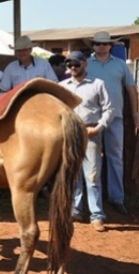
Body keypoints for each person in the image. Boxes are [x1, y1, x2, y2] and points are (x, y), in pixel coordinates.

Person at [59, 51, 114, 232]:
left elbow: (109, 109)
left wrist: (98, 128)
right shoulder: (62, 86)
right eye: (69, 65)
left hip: (91, 132)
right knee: (73, 174)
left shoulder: (98, 84)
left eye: (76, 64)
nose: (73, 68)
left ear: (85, 64)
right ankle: (75, 210)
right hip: (70, 133)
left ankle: (97, 215)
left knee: (92, 175)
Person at [85, 31, 139, 215]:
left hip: (115, 117)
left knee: (115, 157)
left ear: (110, 46)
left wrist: (134, 113)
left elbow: (131, 90)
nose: (101, 46)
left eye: (105, 43)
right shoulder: (85, 64)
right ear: (93, 45)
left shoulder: (121, 65)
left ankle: (117, 198)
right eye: (98, 43)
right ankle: (90, 200)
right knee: (90, 159)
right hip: (91, 118)